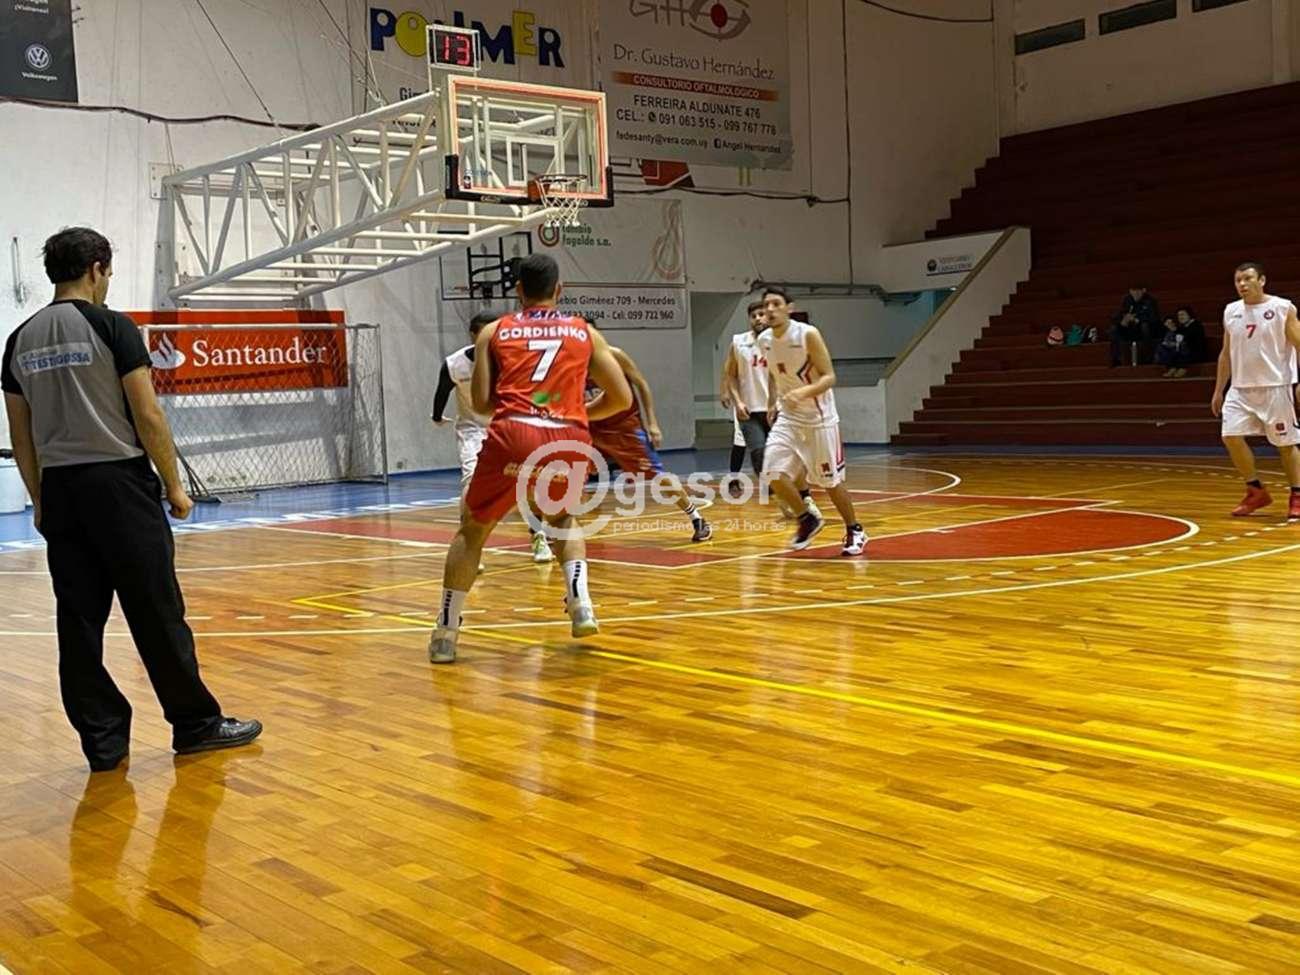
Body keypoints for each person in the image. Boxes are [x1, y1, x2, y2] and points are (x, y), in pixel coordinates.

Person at [0, 227, 261, 771]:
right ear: (95, 268)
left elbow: (21, 436)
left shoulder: (19, 339)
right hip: (119, 487)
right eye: (109, 272)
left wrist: (40, 500)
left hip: (61, 491)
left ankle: (103, 742)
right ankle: (195, 725)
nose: (109, 281)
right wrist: (175, 486)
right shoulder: (112, 326)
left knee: (78, 623)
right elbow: (148, 414)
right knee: (157, 611)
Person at [427, 254, 633, 664]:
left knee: (473, 529)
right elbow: (622, 398)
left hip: (513, 433)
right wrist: (575, 413)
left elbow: (482, 404)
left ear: (518, 290)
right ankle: (581, 603)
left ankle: (446, 633)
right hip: (567, 435)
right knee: (562, 519)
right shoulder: (585, 332)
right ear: (560, 289)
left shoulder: (493, 332)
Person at [432, 310, 554, 564]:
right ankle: (468, 544)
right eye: (486, 333)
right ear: (473, 335)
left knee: (528, 482)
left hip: (510, 427)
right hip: (473, 429)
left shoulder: (513, 360)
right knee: (471, 483)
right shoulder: (454, 364)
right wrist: (436, 416)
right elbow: (441, 392)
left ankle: (538, 536)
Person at [757, 286, 866, 554]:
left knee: (830, 482)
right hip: (789, 417)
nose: (770, 309)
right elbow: (774, 373)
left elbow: (829, 377)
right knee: (771, 472)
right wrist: (772, 401)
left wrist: (803, 392)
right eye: (766, 305)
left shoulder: (807, 334)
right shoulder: (764, 340)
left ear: (789, 308)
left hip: (820, 419)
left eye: (776, 304)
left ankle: (855, 529)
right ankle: (807, 519)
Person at [587, 339, 712, 543]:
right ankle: (548, 527)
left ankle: (697, 519)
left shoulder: (614, 355)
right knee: (566, 471)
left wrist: (652, 422)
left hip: (624, 427)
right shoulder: (568, 361)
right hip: (592, 427)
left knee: (657, 476)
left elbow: (641, 384)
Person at [1210, 262, 1300, 520]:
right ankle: (1255, 490)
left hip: (1275, 386)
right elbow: (1226, 353)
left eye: (1248, 278)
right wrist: (1219, 390)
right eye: (1238, 280)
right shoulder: (1231, 311)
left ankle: (1297, 494)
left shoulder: (1282, 308)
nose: (1242, 284)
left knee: (1286, 444)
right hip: (1240, 388)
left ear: (1262, 280)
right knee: (1230, 436)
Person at [721, 300, 770, 497]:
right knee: (743, 444)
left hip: (773, 406)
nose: (758, 319)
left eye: (761, 314)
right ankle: (734, 479)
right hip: (747, 406)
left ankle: (796, 492)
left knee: (777, 450)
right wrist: (726, 392)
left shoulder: (778, 342)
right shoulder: (739, 342)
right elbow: (729, 371)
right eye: (753, 316)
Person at [1110, 284, 1161, 366]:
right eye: (1133, 291)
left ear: (1143, 290)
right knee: (1114, 329)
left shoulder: (1150, 301)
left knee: (1145, 327)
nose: (1135, 293)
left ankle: (1147, 358)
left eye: (1138, 291)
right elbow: (1120, 314)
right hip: (1131, 328)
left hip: (1146, 329)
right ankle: (1116, 358)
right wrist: (1123, 320)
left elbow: (1154, 319)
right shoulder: (1127, 300)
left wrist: (1137, 320)